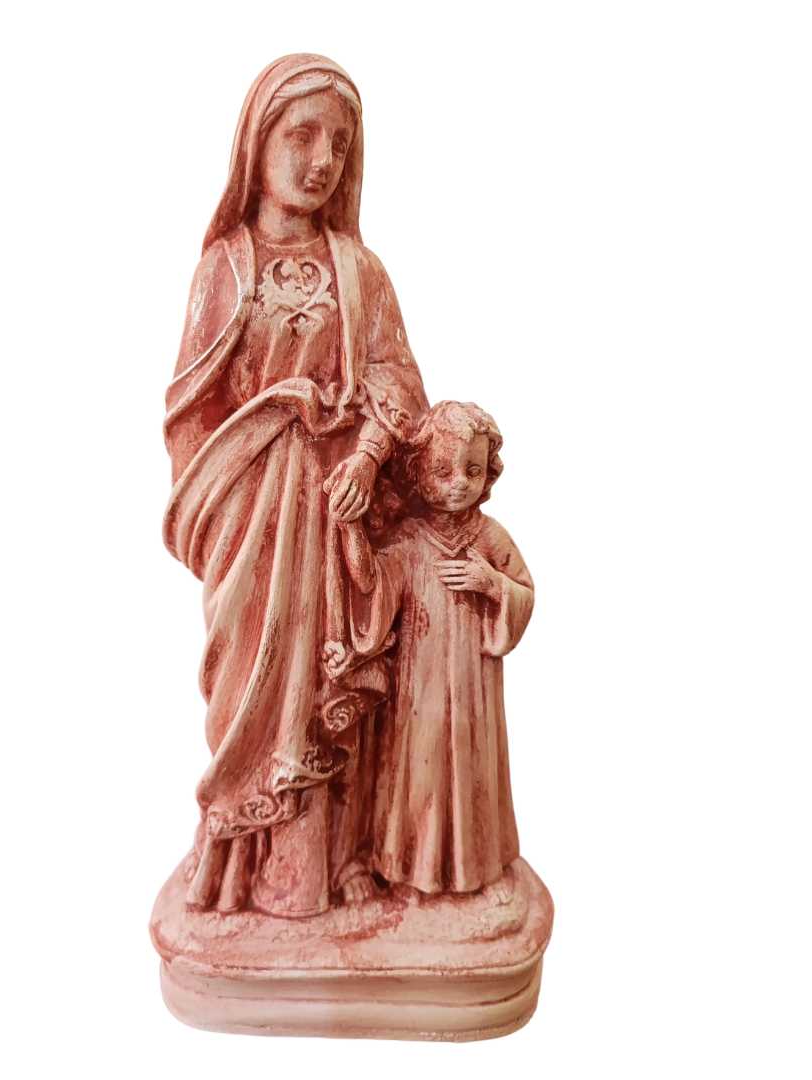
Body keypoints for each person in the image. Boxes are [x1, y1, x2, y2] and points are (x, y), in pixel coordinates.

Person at [162, 55, 427, 915]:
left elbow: (397, 382)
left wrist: (364, 457)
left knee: (325, 693)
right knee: (251, 682)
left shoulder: (359, 270)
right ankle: (241, 868)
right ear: (257, 142)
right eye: (302, 135)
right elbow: (190, 419)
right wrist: (242, 475)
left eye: (339, 145)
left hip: (337, 528)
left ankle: (327, 867)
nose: (321, 160)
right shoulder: (225, 268)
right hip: (252, 529)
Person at [328, 402, 535, 895]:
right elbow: (371, 585)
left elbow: (524, 594)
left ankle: (477, 869)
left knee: (473, 771)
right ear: (420, 472)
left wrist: (492, 584)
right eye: (443, 471)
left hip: (472, 689)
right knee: (418, 774)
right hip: (418, 690)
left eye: (472, 471)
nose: (459, 483)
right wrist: (350, 526)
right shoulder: (409, 539)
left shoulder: (490, 538)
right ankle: (411, 872)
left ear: (488, 474)